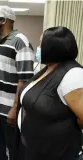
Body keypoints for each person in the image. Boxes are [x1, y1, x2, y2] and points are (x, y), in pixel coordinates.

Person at [14, 26, 83, 160]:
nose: (38, 47)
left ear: (53, 47)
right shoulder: (47, 69)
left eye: (41, 43)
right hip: (35, 148)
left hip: (57, 153)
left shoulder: (73, 75)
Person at [0, 6, 34, 160]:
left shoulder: (20, 42)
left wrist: (15, 108)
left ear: (3, 21)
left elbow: (24, 79)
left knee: (14, 151)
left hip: (8, 111)